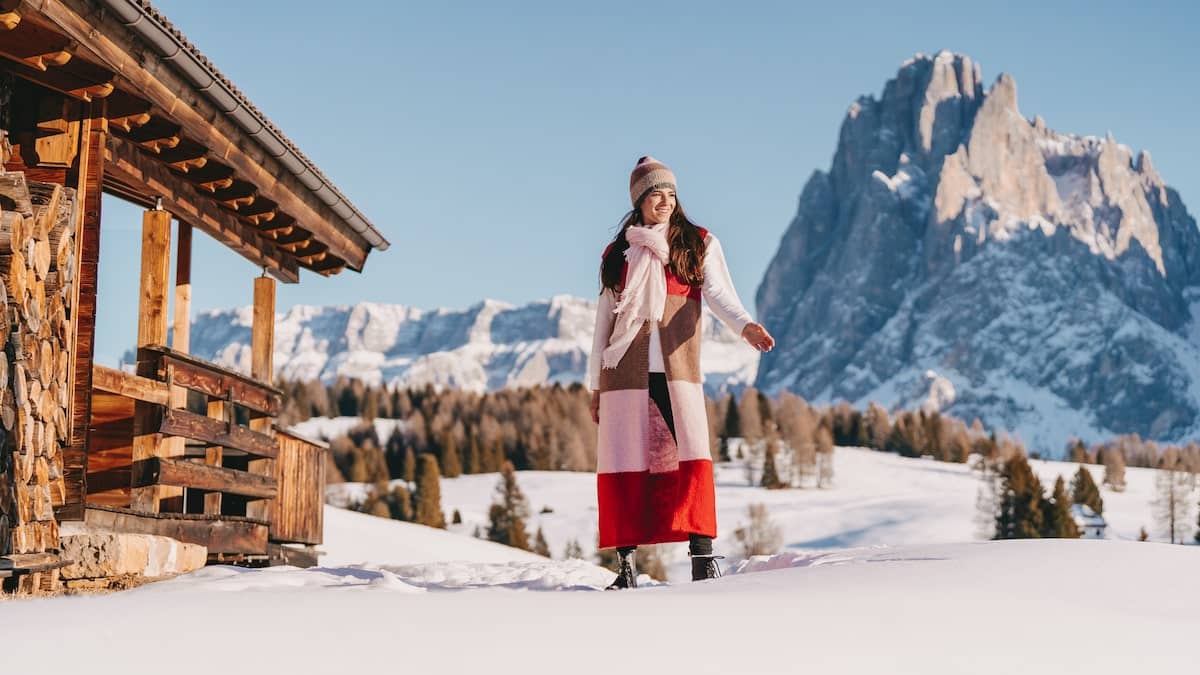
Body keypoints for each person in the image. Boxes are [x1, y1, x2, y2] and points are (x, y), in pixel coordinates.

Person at [586, 156, 775, 589]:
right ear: (639, 200)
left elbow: (720, 294)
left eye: (671, 193)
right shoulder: (618, 254)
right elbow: (603, 324)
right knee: (623, 464)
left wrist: (745, 325)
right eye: (656, 194)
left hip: (677, 372)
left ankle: (703, 556)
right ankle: (626, 565)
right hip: (623, 375)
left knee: (692, 458)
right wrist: (595, 385)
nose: (666, 201)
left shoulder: (697, 243)